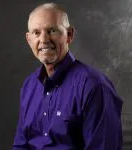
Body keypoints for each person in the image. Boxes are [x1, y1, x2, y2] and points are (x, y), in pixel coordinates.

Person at [13, 2, 123, 150]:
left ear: (69, 35)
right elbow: (20, 145)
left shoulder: (94, 87)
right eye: (36, 33)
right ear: (29, 39)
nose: (44, 40)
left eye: (52, 30)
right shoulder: (29, 86)